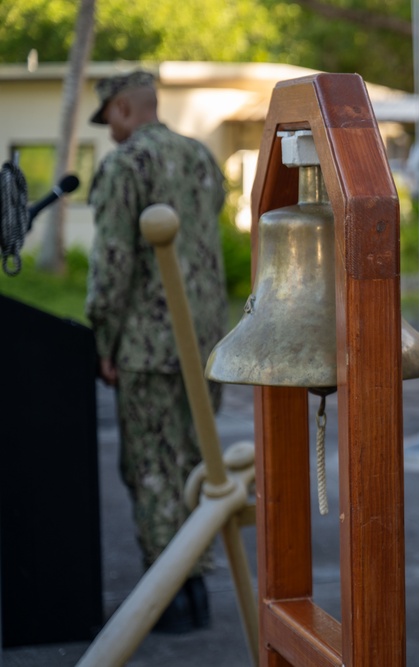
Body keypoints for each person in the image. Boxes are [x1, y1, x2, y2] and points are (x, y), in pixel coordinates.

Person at [86, 70, 229, 632]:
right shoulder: (200, 159)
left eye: (110, 122)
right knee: (198, 465)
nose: (111, 135)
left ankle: (167, 600)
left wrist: (103, 339)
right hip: (207, 341)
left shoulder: (125, 166)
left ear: (123, 109)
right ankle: (197, 594)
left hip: (146, 346)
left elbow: (113, 265)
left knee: (151, 468)